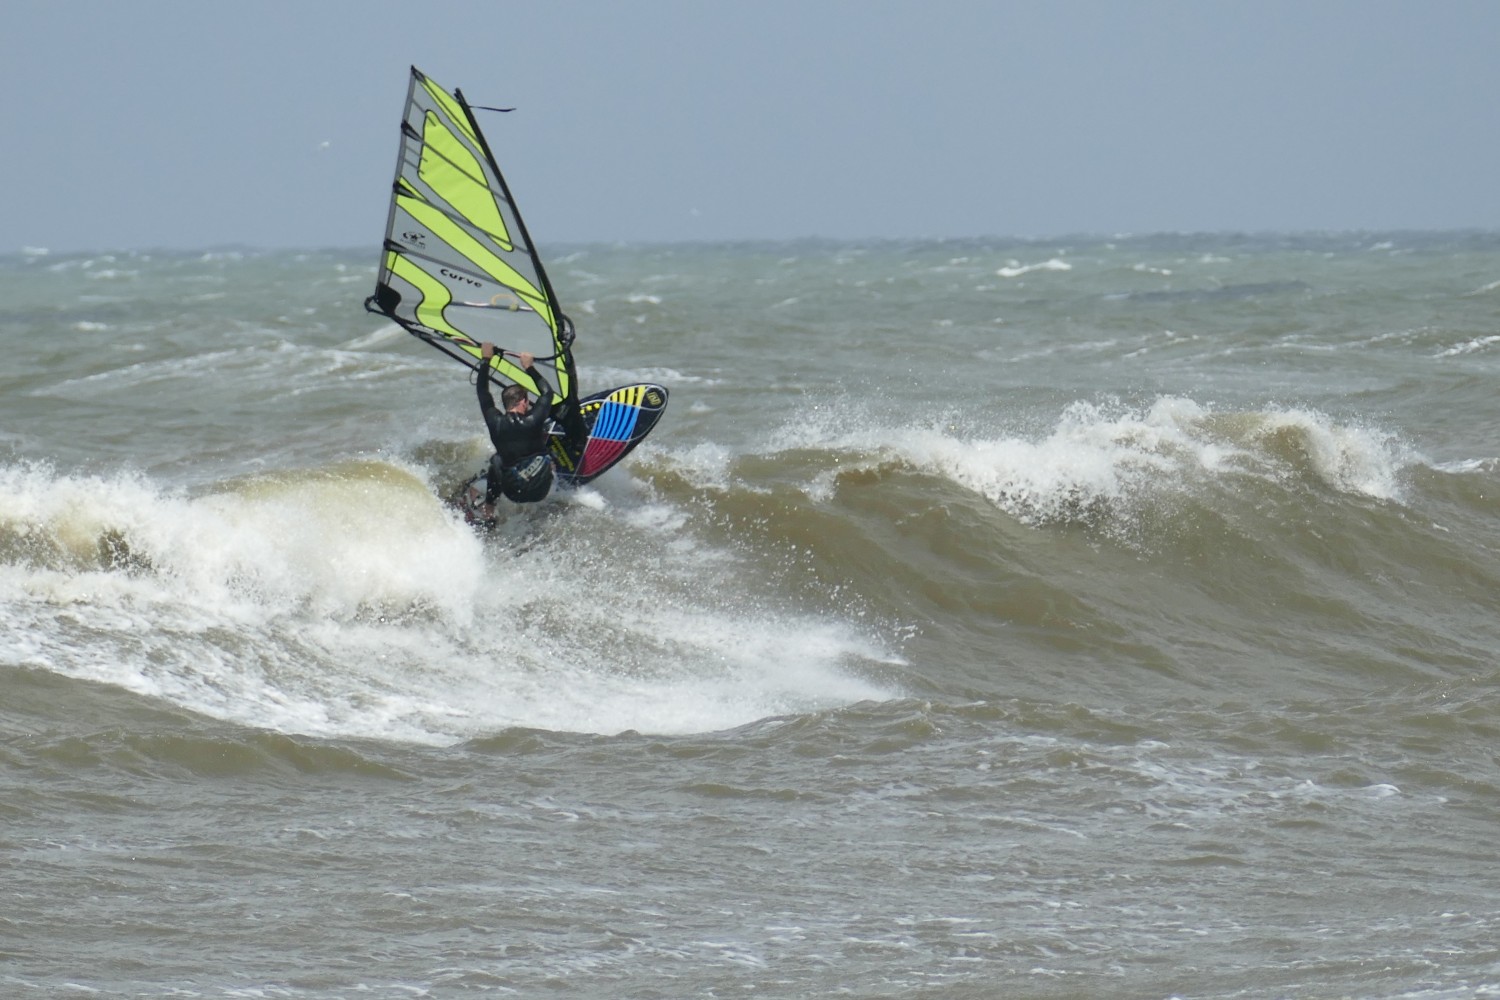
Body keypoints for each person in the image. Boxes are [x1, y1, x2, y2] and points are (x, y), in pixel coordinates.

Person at [476, 342, 555, 505]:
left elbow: (483, 392)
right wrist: (529, 367)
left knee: (497, 460)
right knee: (547, 443)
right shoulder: (534, 420)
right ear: (523, 401)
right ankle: (554, 469)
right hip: (541, 490)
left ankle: (489, 507)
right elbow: (547, 393)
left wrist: (485, 359)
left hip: (513, 493)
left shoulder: (494, 422)